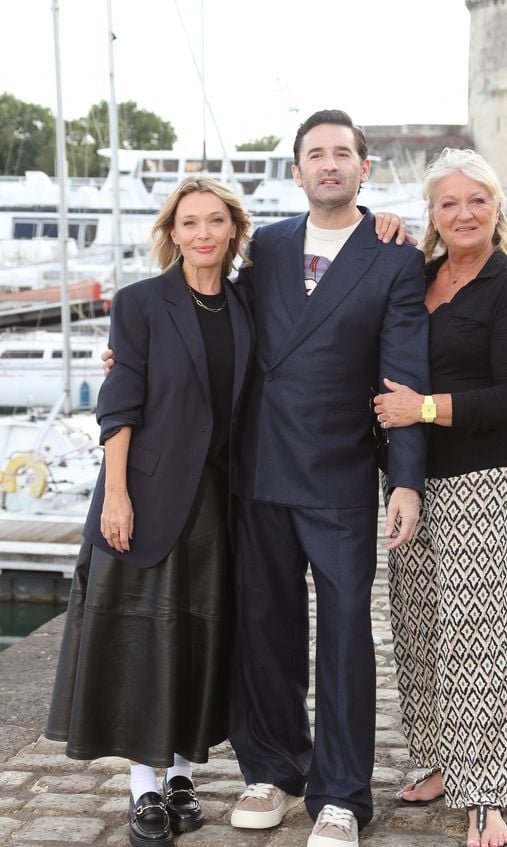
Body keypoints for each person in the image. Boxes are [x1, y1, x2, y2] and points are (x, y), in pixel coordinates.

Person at [226, 110, 430, 847]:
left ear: (364, 168)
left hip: (342, 473)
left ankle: (341, 792)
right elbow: (217, 322)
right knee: (265, 628)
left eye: (343, 152)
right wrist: (137, 354)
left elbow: (403, 370)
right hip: (260, 470)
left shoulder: (394, 255)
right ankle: (272, 768)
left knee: (345, 636)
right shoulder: (269, 246)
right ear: (298, 171)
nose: (329, 163)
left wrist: (403, 481)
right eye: (316, 154)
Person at [45, 176, 254, 847]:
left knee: (207, 634)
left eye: (214, 221)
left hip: (224, 501)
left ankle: (187, 772)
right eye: (189, 222)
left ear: (232, 230)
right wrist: (115, 493)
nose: (202, 234)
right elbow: (120, 402)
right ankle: (144, 787)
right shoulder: (139, 304)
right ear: (171, 232)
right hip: (147, 497)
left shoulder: (248, 304)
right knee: (144, 640)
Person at [373, 148, 507, 847]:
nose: (464, 213)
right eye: (449, 202)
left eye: (476, 199)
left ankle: (487, 792)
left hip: (483, 473)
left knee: (476, 632)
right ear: (433, 214)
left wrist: (422, 409)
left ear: (497, 207)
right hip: (411, 476)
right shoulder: (418, 275)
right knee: (417, 622)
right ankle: (445, 760)